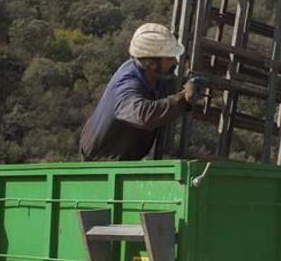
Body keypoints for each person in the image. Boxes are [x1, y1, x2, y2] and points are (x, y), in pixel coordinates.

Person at [80, 23, 195, 161]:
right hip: (101, 164)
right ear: (152, 63)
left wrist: (189, 84)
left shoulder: (154, 75)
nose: (176, 62)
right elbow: (143, 115)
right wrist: (183, 99)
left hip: (123, 161)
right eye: (170, 58)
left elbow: (171, 85)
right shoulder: (126, 85)